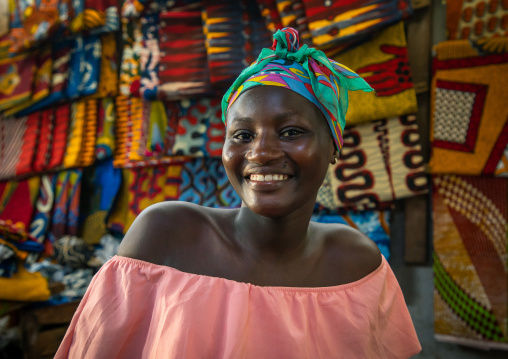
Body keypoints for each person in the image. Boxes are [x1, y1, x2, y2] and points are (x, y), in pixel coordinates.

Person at [55, 28, 421, 358]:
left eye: (291, 132)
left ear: (334, 148)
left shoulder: (357, 267)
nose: (260, 153)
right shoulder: (164, 238)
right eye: (243, 135)